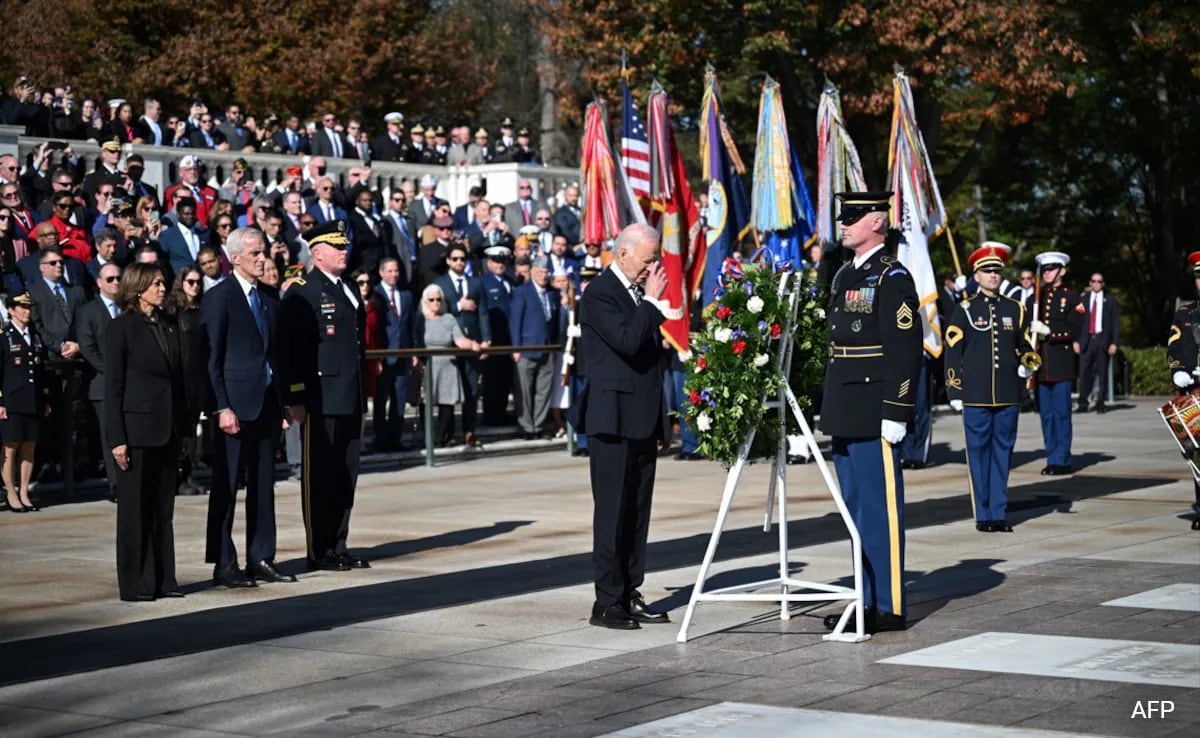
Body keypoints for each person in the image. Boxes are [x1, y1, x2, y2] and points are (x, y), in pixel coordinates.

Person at [818, 191, 922, 635]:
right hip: (844, 404)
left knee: (880, 510)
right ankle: (863, 599)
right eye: (844, 217)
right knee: (856, 509)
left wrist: (897, 410)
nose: (844, 224)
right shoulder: (844, 273)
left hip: (876, 406)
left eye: (854, 217)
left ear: (877, 222)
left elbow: (905, 350)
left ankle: (888, 605)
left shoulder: (891, 276)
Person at [571, 223, 671, 630]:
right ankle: (607, 600)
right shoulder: (599, 294)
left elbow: (649, 361)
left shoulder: (636, 293)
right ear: (623, 253)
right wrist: (651, 303)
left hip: (641, 417)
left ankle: (630, 590)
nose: (653, 268)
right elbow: (627, 341)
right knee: (612, 511)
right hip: (611, 419)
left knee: (637, 511)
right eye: (648, 260)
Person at [201, 227, 294, 588]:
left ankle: (261, 556)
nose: (262, 257)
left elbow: (275, 355)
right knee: (226, 486)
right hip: (235, 408)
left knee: (263, 485)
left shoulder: (269, 298)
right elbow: (212, 359)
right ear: (234, 256)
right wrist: (221, 406)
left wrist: (283, 403)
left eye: (264, 252)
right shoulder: (220, 298)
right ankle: (224, 562)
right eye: (254, 252)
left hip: (267, 403)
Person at [279, 220, 371, 572]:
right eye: (336, 246)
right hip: (320, 395)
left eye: (344, 245)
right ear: (317, 253)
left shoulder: (348, 287)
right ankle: (319, 549)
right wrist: (296, 397)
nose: (343, 250)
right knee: (320, 476)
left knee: (345, 474)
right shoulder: (302, 290)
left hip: (349, 394)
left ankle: (339, 543)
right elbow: (292, 350)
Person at [104, 263, 189, 601]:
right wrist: (117, 439)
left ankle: (163, 579)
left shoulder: (167, 325)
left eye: (163, 283)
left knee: (161, 509)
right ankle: (135, 582)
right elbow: (114, 387)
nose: (162, 288)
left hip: (166, 428)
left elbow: (177, 380)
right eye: (155, 283)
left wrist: (183, 429)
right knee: (134, 512)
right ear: (138, 288)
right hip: (136, 431)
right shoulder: (121, 328)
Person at [944, 245, 1033, 533]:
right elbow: (952, 353)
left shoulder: (1015, 309)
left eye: (996, 271)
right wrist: (955, 390)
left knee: (1002, 454)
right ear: (976, 275)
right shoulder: (965, 310)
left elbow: (1026, 346)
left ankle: (999, 512)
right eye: (987, 271)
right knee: (979, 455)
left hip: (1008, 394)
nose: (993, 275)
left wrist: (1027, 364)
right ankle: (983, 514)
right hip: (975, 396)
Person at [1028, 251, 1083, 475]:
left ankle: (1062, 459)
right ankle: (1052, 456)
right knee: (1047, 415)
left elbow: (1076, 327)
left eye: (1051, 269)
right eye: (1045, 270)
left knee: (1061, 413)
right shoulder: (1036, 298)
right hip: (1042, 365)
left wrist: (1050, 332)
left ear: (1062, 271)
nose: (1047, 273)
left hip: (1061, 362)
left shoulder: (1071, 297)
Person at [434, 243, 490, 447]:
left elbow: (483, 312)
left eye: (462, 259)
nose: (459, 262)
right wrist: (459, 305)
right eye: (455, 259)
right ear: (448, 260)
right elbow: (436, 308)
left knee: (472, 390)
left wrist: (486, 339)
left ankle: (469, 431)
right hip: (449, 343)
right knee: (448, 392)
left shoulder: (475, 283)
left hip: (472, 342)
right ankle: (446, 433)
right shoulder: (440, 283)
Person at [1, 293, 51, 513]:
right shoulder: (4, 336)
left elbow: (40, 370)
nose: (26, 311)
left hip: (32, 398)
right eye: (21, 307)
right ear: (11, 310)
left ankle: (24, 491)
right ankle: (10, 492)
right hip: (11, 399)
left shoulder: (34, 334)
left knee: (29, 446)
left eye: (28, 307)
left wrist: (45, 398)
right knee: (10, 447)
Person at [77, 262, 123, 503]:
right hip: (103, 383)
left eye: (118, 278)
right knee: (110, 437)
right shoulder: (89, 311)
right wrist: (113, 371)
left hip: (128, 383)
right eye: (110, 279)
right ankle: (115, 485)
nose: (115, 282)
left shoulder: (126, 308)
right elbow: (88, 347)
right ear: (99, 283)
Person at [420, 284, 480, 447]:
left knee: (447, 404)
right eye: (431, 300)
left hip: (447, 365)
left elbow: (459, 340)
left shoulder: (449, 318)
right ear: (425, 302)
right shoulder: (421, 319)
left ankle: (440, 437)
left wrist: (473, 344)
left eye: (439, 299)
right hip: (429, 364)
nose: (436, 302)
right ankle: (427, 437)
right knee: (426, 403)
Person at [167, 266, 209, 496]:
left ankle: (188, 474)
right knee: (179, 429)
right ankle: (176, 477)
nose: (195, 286)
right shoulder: (173, 309)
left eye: (198, 282)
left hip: (198, 376)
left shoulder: (203, 309)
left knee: (192, 430)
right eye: (190, 282)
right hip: (180, 374)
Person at [510, 256, 560, 440]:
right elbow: (515, 321)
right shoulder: (522, 292)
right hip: (527, 347)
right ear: (532, 272)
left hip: (547, 348)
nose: (543, 276)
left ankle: (538, 425)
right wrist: (516, 348)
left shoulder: (552, 293)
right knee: (524, 389)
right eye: (539, 272)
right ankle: (526, 426)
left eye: (546, 272)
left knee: (543, 389)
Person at [1167, 252, 1200, 530]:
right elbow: (1174, 345)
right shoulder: (1185, 312)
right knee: (1196, 451)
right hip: (1194, 390)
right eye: (1199, 277)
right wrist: (1177, 368)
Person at [373, 258, 417, 451]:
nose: (394, 275)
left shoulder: (406, 295)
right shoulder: (375, 294)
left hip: (402, 354)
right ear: (382, 273)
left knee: (399, 399)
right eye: (389, 271)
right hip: (384, 355)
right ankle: (380, 438)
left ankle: (395, 438)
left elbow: (411, 326)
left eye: (396, 271)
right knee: (381, 399)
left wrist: (413, 352)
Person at [1077, 272, 1120, 414]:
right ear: (1090, 283)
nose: (1096, 283)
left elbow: (1115, 323)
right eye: (1093, 281)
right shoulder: (1083, 299)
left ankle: (1100, 402)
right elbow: (1077, 322)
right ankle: (1083, 403)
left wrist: (1114, 342)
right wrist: (1075, 341)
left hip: (1102, 339)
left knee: (1102, 373)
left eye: (1099, 281)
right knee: (1084, 372)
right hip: (1087, 340)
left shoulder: (1110, 300)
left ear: (1103, 284)